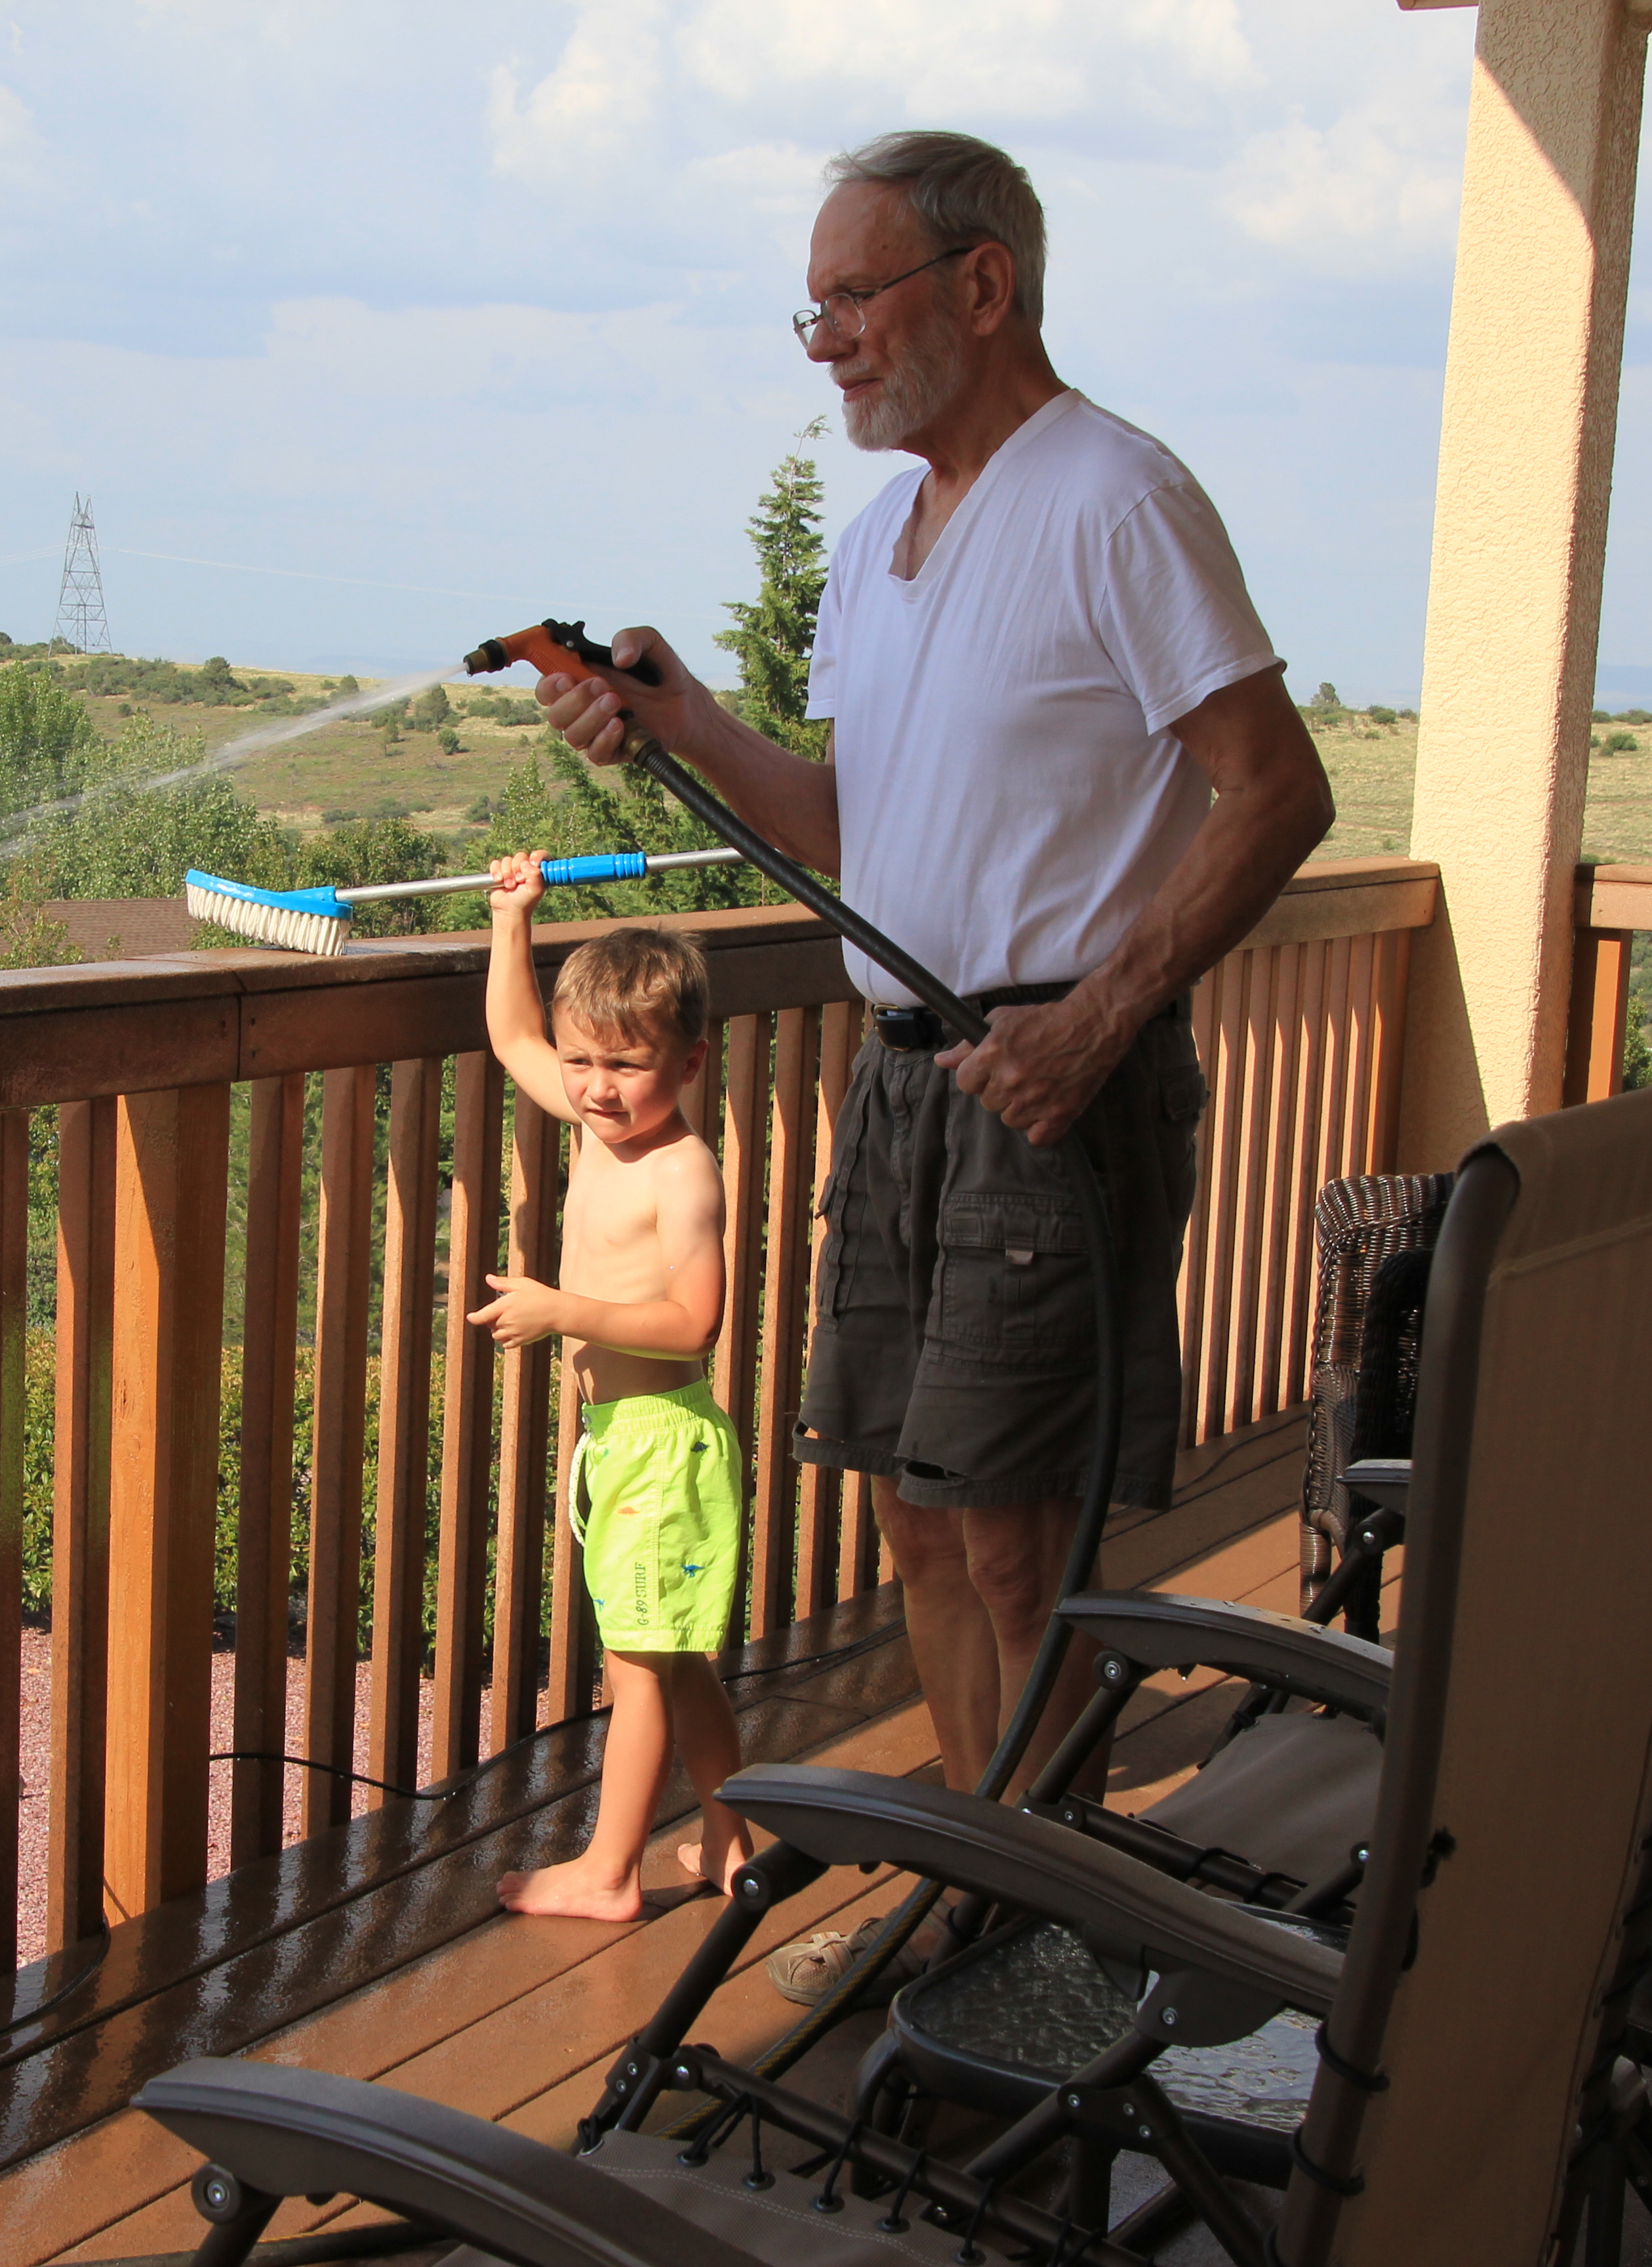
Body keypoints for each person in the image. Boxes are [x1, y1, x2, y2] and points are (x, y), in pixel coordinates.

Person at [527, 131, 1337, 1994]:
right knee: (914, 1506)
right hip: (909, 1083)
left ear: (984, 287)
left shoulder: (1115, 498)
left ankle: (1043, 1931)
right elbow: (856, 820)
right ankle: (994, 1898)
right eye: (807, 307)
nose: (823, 342)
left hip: (1047, 1078)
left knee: (1009, 1539)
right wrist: (681, 724)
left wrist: (1103, 1014)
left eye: (853, 297)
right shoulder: (888, 545)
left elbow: (1276, 790)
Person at [470, 860, 754, 1921]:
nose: (593, 1085)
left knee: (636, 1666)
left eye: (625, 1067)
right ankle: (729, 1836)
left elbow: (694, 1323)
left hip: (661, 1440)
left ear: (688, 1062)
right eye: (584, 1061)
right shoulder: (597, 1124)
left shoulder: (683, 1173)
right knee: (675, 1657)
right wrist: (513, 922)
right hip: (621, 1440)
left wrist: (563, 1311)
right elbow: (513, 1039)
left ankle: (609, 1872)